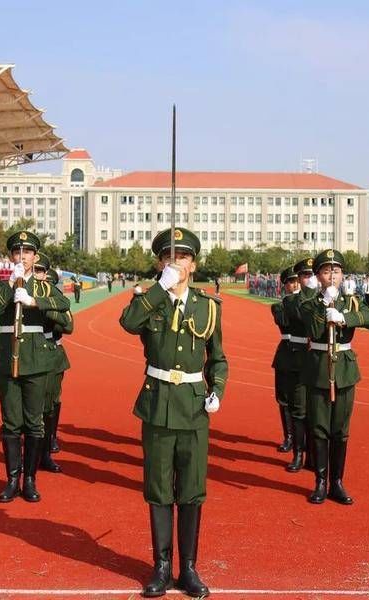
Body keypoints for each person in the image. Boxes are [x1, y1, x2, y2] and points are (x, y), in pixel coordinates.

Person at [120, 227, 228, 598]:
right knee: (159, 488)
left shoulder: (208, 307)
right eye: (168, 257)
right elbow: (128, 323)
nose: (175, 262)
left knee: (193, 490)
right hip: (158, 402)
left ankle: (190, 568)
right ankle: (162, 567)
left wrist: (217, 391)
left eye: (182, 257)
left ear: (193, 265)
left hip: (194, 406)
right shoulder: (150, 300)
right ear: (158, 263)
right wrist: (158, 289)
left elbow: (219, 358)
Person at [0, 231, 71, 503]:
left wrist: (34, 300)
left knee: (35, 422)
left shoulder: (44, 286)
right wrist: (12, 284)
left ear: (35, 256)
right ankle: (13, 479)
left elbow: (63, 304)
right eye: (16, 252)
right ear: (10, 256)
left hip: (37, 359)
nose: (21, 257)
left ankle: (31, 480)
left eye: (26, 253)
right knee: (11, 422)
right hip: (7, 357)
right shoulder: (1, 285)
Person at [299, 249, 369, 505]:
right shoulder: (310, 302)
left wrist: (345, 317)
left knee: (340, 430)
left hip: (344, 370)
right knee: (320, 429)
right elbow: (313, 328)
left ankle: (337, 482)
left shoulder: (351, 301)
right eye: (326, 271)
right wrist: (324, 305)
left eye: (336, 271)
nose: (332, 276)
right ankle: (320, 482)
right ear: (318, 276)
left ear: (343, 275)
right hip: (319, 369)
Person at [35, 260, 72, 471]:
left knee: (51, 403)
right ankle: (34, 449)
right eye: (37, 271)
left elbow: (69, 325)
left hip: (52, 352)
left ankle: (48, 444)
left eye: (42, 271)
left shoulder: (53, 297)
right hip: (29, 351)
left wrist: (43, 305)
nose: (40, 275)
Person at [270, 268, 304, 457]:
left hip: (305, 355)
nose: (296, 284)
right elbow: (285, 321)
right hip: (285, 355)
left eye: (297, 280)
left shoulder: (309, 304)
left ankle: (303, 439)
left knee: (302, 403)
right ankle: (289, 437)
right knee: (284, 400)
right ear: (285, 285)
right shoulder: (279, 306)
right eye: (291, 281)